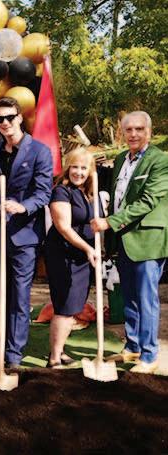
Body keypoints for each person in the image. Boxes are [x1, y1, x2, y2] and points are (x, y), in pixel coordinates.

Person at [91, 111, 168, 374]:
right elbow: (118, 198)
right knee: (129, 297)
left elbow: (148, 201)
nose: (133, 134)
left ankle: (149, 355)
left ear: (149, 131)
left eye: (139, 129)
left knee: (146, 299)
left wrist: (110, 222)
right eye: (129, 130)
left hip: (148, 240)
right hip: (123, 239)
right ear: (122, 133)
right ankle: (133, 346)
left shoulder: (160, 160)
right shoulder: (121, 158)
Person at [0, 97, 53, 369]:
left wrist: (23, 207)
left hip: (25, 235)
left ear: (20, 118)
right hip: (0, 232)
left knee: (20, 298)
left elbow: (44, 193)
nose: (5, 123)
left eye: (10, 117)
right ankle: (0, 346)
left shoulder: (40, 151)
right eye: (0, 119)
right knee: (1, 295)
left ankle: (13, 355)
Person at [44, 148, 100, 368]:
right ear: (68, 168)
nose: (78, 172)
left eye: (83, 168)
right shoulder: (61, 191)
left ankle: (59, 350)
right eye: (74, 167)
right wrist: (88, 248)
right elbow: (64, 227)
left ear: (90, 170)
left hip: (83, 256)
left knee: (74, 305)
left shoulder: (90, 192)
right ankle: (54, 358)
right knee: (65, 306)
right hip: (64, 254)